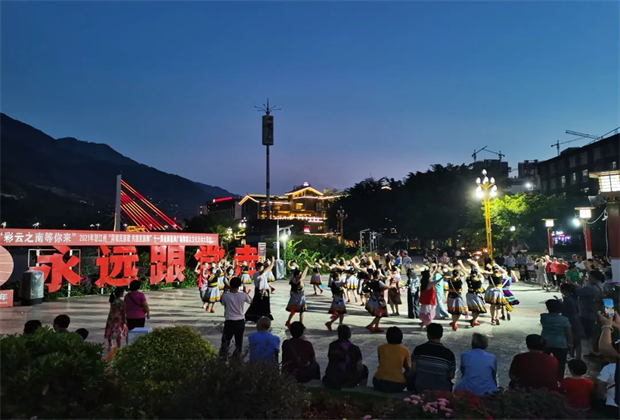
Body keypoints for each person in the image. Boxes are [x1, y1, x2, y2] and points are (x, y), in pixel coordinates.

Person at [410, 323, 456, 392]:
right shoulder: (449, 354)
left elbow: (413, 370)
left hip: (420, 388)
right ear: (441, 335)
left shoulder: (418, 350)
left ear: (428, 335)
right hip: (442, 390)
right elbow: (451, 376)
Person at [322, 325, 369, 390]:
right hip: (347, 379)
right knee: (364, 369)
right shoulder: (354, 348)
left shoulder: (332, 345)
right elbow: (359, 366)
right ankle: (362, 389)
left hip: (332, 378)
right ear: (349, 334)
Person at [219, 276, 252, 359]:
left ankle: (223, 356)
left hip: (229, 321)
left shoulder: (226, 296)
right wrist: (246, 293)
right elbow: (251, 301)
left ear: (230, 284)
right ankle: (237, 358)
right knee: (239, 341)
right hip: (240, 321)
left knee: (226, 340)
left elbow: (222, 303)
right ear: (240, 285)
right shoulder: (243, 295)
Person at [541, 299, 573, 379]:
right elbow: (569, 333)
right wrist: (570, 344)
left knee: (544, 362)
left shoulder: (543, 317)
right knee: (560, 363)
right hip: (561, 344)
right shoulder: (565, 319)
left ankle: (544, 377)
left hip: (545, 342)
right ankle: (559, 379)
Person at [373, 327, 411, 393]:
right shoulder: (405, 350)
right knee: (410, 374)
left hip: (379, 383)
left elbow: (381, 361)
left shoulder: (380, 348)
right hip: (397, 385)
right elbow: (408, 367)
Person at [245, 258, 275, 322]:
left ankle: (263, 316)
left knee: (264, 304)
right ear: (257, 268)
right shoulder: (257, 274)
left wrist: (271, 263)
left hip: (265, 290)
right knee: (258, 304)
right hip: (260, 291)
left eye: (262, 267)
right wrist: (272, 262)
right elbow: (266, 269)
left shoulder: (263, 273)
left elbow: (268, 269)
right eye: (261, 267)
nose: (262, 268)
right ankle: (256, 317)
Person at [560, 283, 585, 360]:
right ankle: (578, 358)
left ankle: (571, 356)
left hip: (569, 320)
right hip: (577, 320)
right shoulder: (575, 297)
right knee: (577, 341)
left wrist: (560, 303)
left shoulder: (567, 299)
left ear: (564, 290)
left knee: (570, 339)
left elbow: (564, 309)